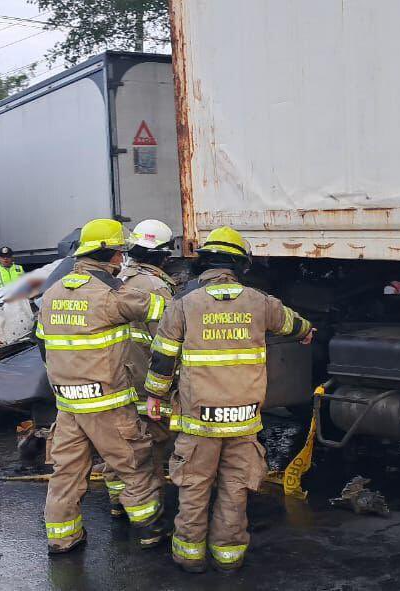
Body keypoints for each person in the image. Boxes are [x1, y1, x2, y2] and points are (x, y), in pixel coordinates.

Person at [144, 226, 314, 573]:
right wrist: (307, 332)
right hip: (243, 421)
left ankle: (189, 558)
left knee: (193, 486)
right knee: (235, 488)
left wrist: (155, 396)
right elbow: (295, 324)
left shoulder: (184, 305)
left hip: (199, 421)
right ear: (240, 265)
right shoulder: (260, 302)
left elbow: (162, 357)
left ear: (203, 265)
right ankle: (229, 556)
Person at [37, 218, 170, 554]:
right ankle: (151, 530)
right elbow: (165, 311)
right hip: (108, 403)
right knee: (134, 465)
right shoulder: (112, 297)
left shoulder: (52, 294)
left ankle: (62, 537)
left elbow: (42, 346)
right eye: (119, 254)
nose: (121, 261)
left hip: (68, 405)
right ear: (111, 256)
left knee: (66, 474)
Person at [100, 220, 178, 518]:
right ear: (162, 255)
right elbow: (168, 341)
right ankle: (148, 512)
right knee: (151, 448)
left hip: (116, 382)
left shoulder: (117, 280)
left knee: (120, 445)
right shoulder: (157, 288)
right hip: (148, 384)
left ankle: (117, 503)